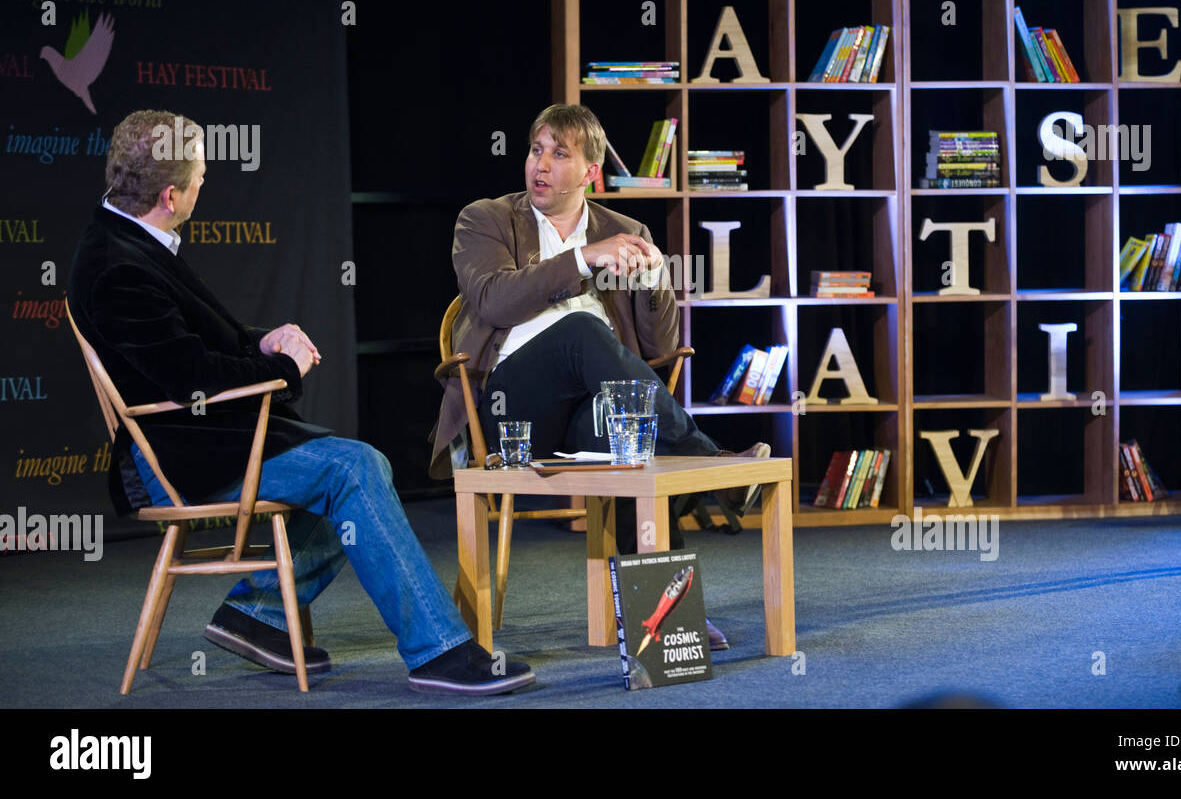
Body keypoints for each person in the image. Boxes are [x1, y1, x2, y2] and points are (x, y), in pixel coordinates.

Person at [68, 109, 533, 695]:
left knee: (361, 463)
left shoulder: (130, 236)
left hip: (205, 439)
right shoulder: (116, 267)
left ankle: (258, 614)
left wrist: (261, 341)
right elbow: (190, 378)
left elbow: (189, 344)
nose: (206, 181)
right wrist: (281, 368)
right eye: (201, 175)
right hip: (178, 459)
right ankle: (438, 650)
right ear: (169, 194)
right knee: (354, 467)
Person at [429, 104, 768, 647]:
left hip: (591, 414)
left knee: (631, 430)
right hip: (513, 413)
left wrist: (657, 278)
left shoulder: (625, 230)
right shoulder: (486, 218)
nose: (540, 164)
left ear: (591, 172)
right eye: (536, 149)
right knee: (584, 331)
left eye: (560, 154)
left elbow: (657, 349)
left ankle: (667, 618)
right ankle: (707, 460)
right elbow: (491, 301)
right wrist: (584, 260)